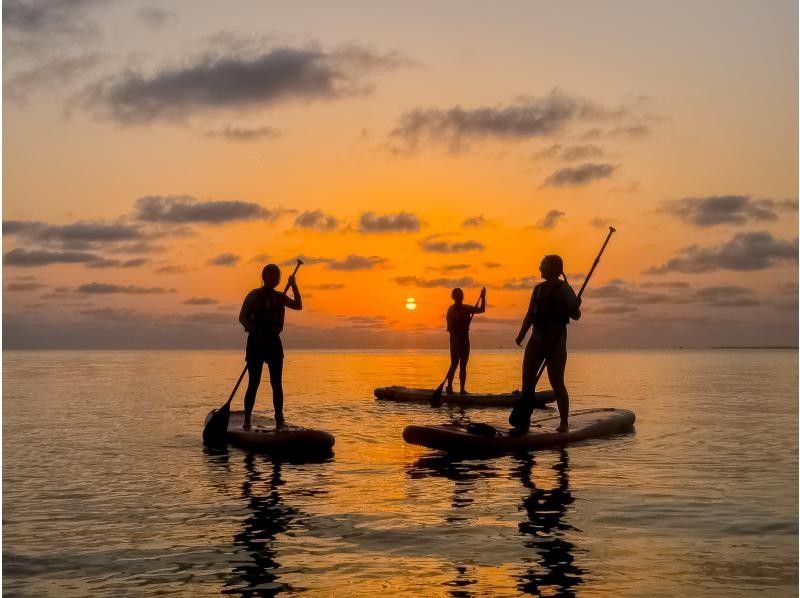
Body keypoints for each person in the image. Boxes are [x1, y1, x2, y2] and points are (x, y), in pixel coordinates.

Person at [510, 255, 580, 433]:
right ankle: (524, 419)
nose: (540, 268)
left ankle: (564, 422)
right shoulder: (537, 289)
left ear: (553, 268)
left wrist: (573, 306)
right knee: (527, 382)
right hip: (536, 338)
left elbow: (576, 315)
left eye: (543, 265)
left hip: (555, 340)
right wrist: (522, 334)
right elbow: (530, 314)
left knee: (556, 382)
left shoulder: (564, 288)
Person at [238, 264, 302, 430]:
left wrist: (294, 285)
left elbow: (298, 305)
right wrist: (255, 330)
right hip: (256, 342)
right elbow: (242, 317)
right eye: (273, 275)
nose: (276, 278)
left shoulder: (279, 297)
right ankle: (246, 419)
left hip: (273, 342)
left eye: (278, 276)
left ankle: (279, 418)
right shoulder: (253, 295)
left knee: (276, 383)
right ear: (264, 276)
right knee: (254, 382)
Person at [445, 286, 486, 395]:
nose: (461, 297)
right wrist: (456, 342)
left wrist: (483, 297)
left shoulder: (466, 308)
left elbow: (482, 310)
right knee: (454, 363)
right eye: (458, 295)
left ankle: (462, 389)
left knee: (463, 365)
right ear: (454, 297)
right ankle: (449, 387)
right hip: (455, 341)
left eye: (461, 295)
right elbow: (450, 329)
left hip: (465, 341)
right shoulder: (451, 310)